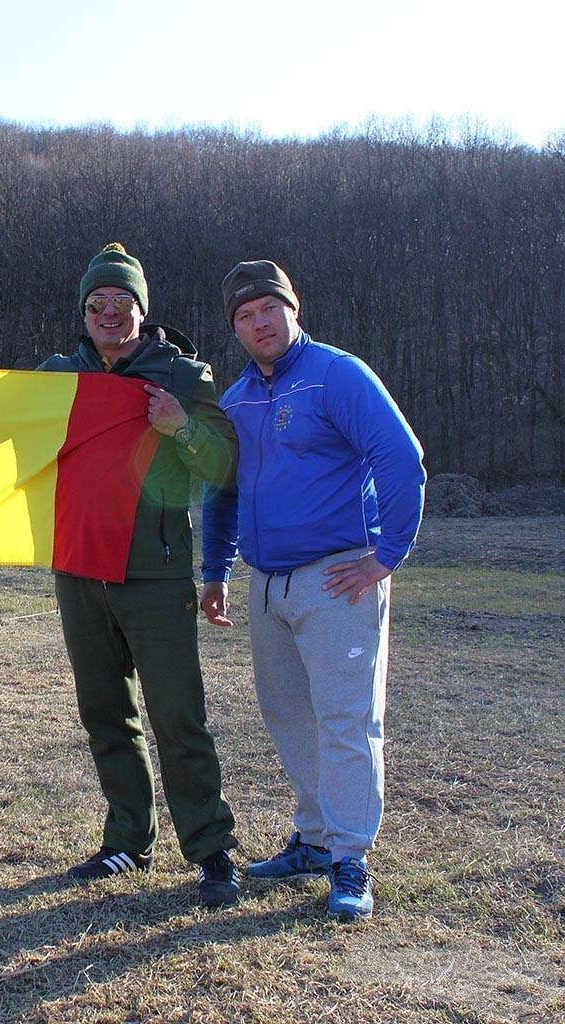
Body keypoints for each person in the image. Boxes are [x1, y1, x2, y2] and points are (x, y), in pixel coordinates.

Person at [201, 259, 425, 920]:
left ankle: (351, 859)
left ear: (291, 310)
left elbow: (401, 456)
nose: (259, 322)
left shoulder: (338, 374)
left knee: (345, 718)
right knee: (289, 717)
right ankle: (316, 838)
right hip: (268, 586)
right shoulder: (238, 398)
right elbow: (223, 489)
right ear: (236, 329)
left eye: (269, 307)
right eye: (244, 315)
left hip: (339, 579)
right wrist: (215, 571)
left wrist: (387, 555)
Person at [38, 242, 242, 908]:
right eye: (97, 304)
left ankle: (212, 853)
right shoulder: (57, 377)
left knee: (178, 717)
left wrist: (181, 427)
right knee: (105, 715)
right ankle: (128, 839)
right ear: (84, 312)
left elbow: (222, 469)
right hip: (76, 568)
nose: (108, 313)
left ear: (141, 309)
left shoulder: (184, 376)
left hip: (153, 576)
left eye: (121, 303)